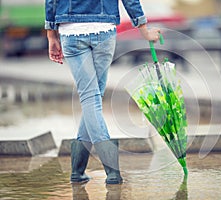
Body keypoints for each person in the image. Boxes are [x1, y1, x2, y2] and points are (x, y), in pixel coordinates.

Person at [45, 0, 160, 185]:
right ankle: (111, 172)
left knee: (91, 99)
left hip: (71, 31)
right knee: (93, 98)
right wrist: (144, 29)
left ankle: (78, 171)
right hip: (103, 30)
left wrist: (51, 34)